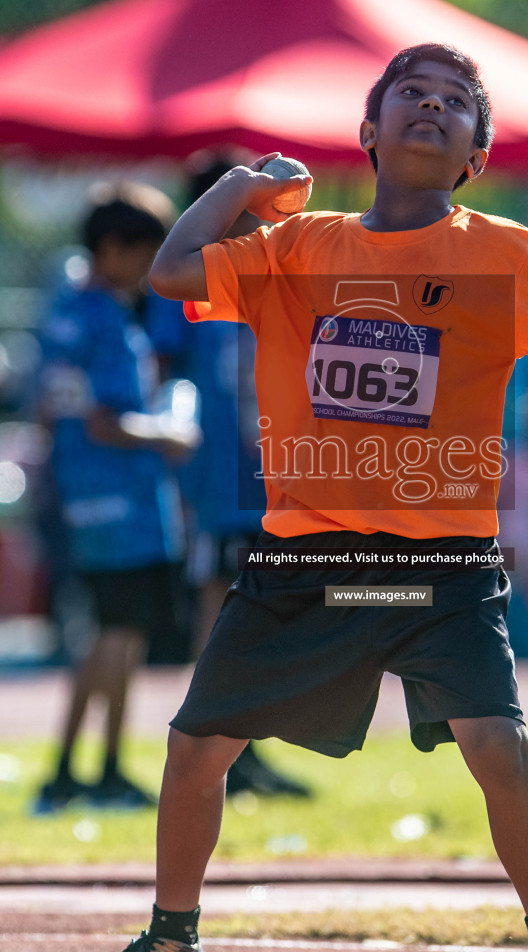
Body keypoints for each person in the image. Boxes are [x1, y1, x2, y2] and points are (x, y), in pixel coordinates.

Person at [141, 43, 528, 952]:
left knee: (497, 746)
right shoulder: (297, 246)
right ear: (369, 133)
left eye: (456, 101)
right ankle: (171, 932)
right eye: (411, 94)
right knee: (197, 749)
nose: (432, 106)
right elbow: (172, 270)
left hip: (439, 571)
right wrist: (243, 183)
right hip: (310, 563)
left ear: (476, 156)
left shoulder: (504, 253)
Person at [31, 182, 198, 815]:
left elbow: (54, 411)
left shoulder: (66, 311)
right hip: (122, 501)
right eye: (144, 253)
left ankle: (72, 771)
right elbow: (105, 420)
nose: (152, 269)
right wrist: (170, 432)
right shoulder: (105, 319)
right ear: (112, 249)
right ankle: (100, 769)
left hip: (85, 496)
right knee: (119, 636)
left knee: (106, 633)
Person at [178, 154, 311, 798]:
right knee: (222, 612)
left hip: (269, 484)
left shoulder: (265, 274)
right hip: (218, 487)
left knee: (268, 615)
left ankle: (246, 749)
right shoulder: (191, 287)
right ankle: (217, 746)